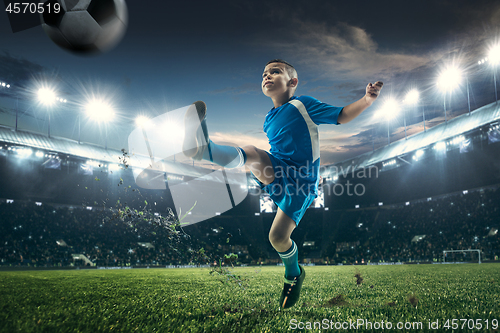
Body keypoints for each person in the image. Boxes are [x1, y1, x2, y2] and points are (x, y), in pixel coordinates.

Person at [183, 59, 383, 308]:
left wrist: (366, 100)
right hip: (278, 169)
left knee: (277, 237)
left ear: (293, 82)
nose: (267, 76)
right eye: (264, 73)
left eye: (275, 72)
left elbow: (341, 116)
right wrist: (263, 172)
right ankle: (204, 150)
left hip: (301, 183)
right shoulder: (269, 118)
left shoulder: (303, 104)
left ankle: (294, 273)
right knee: (253, 153)